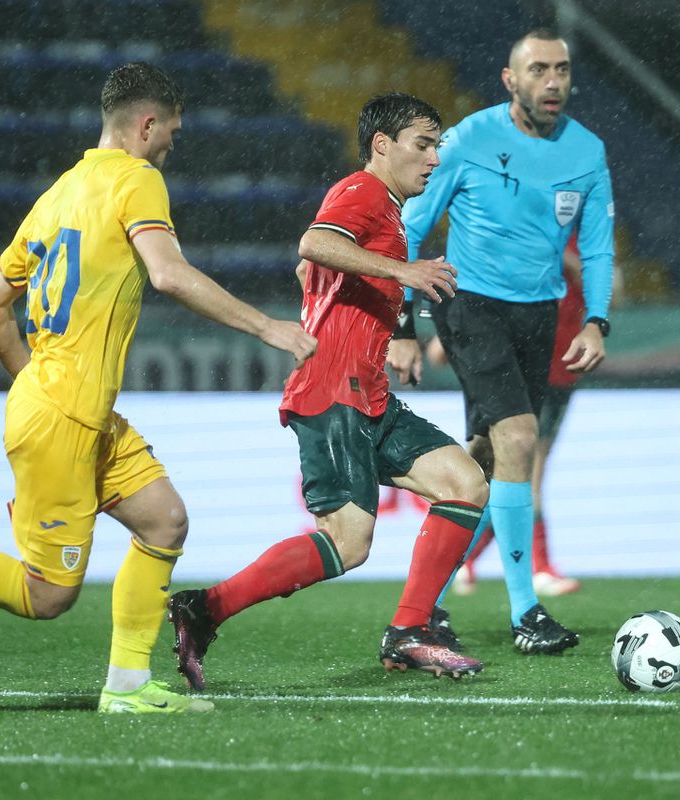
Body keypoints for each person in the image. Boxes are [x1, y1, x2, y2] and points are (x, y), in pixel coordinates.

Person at [0, 63, 317, 714]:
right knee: (46, 595)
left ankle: (129, 687)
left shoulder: (57, 196)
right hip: (62, 412)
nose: (171, 144)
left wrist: (38, 390)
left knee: (165, 520)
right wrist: (267, 327)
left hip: (68, 407)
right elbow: (167, 275)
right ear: (146, 124)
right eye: (171, 131)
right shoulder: (138, 180)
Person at [166, 92, 490, 691]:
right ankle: (204, 609)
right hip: (332, 391)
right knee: (349, 541)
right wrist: (403, 272)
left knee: (465, 483)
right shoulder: (363, 190)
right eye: (423, 145)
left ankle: (411, 631)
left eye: (438, 147)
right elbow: (313, 244)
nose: (434, 159)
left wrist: (386, 330)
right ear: (382, 145)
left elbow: (315, 270)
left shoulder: (388, 212)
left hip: (369, 394)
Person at [400, 29, 615, 654]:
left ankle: (425, 606)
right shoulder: (468, 139)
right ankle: (527, 612)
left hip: (540, 313)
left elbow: (596, 247)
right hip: (468, 302)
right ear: (510, 78)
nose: (553, 82)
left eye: (563, 70)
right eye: (539, 69)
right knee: (520, 436)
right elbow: (411, 226)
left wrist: (596, 319)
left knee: (486, 461)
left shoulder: (588, 152)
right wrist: (401, 324)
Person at [448, 238, 585, 597]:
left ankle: (463, 559)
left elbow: (608, 292)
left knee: (509, 474)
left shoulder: (577, 236)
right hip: (529, 366)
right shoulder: (529, 228)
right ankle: (538, 568)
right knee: (522, 471)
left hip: (560, 369)